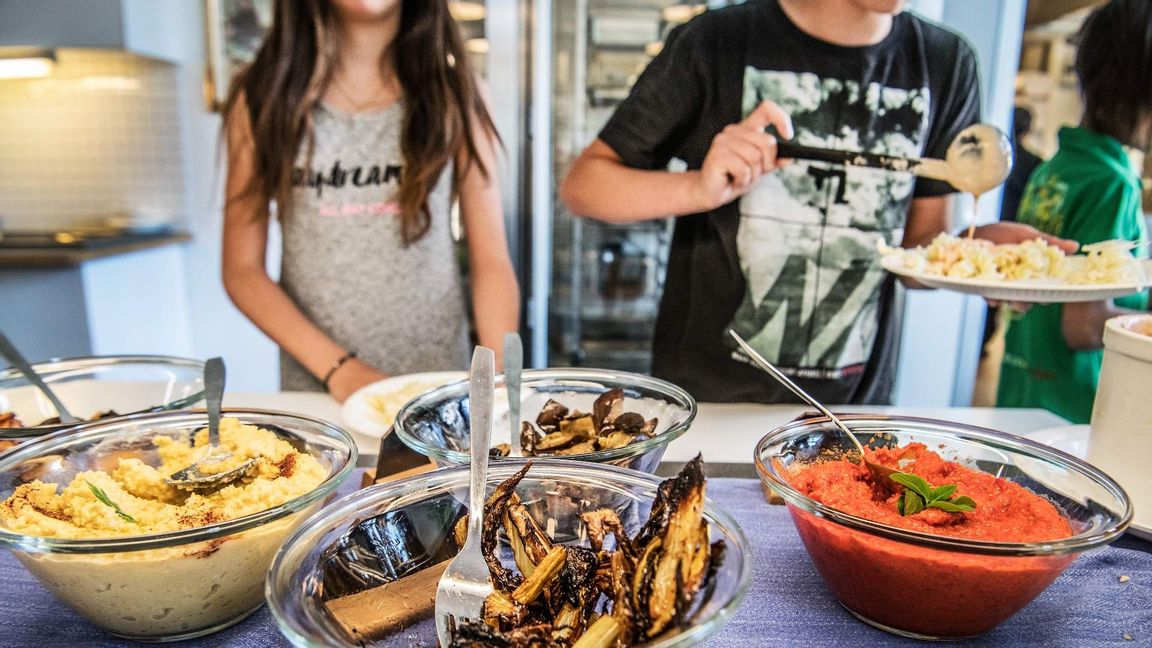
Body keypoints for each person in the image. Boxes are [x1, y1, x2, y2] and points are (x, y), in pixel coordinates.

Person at [561, 0, 1071, 405]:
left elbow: (917, 252)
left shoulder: (946, 62)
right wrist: (698, 187)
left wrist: (982, 256)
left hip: (852, 412)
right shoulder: (716, 41)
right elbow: (584, 186)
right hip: (711, 401)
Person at [221, 0, 520, 401]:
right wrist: (341, 370)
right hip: (318, 393)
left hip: (438, 392)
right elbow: (242, 270)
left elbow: (492, 261)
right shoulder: (261, 98)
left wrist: (499, 381)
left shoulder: (458, 94)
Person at [997, 0, 1151, 424]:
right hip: (1072, 407)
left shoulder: (1057, 168)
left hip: (1021, 389)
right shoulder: (1111, 183)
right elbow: (1083, 326)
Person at [999, 106, 1045, 223]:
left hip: (993, 217)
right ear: (1027, 131)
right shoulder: (1035, 162)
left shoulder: (997, 156)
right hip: (1017, 221)